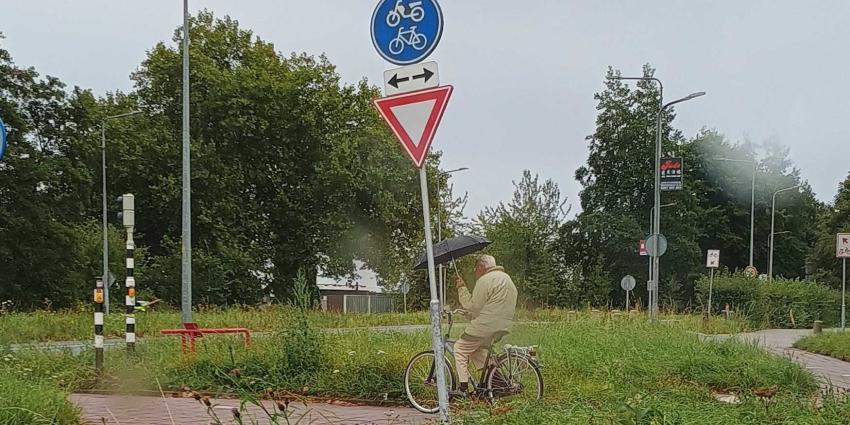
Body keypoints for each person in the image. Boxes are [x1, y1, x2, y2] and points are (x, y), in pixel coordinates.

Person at [452, 254, 517, 396]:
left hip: (486, 325)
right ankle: (496, 384)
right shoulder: (507, 278)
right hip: (503, 324)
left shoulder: (485, 280)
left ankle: (462, 389)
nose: (475, 272)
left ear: (481, 267)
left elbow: (473, 306)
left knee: (460, 348)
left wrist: (462, 288)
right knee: (477, 351)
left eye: (476, 269)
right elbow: (492, 305)